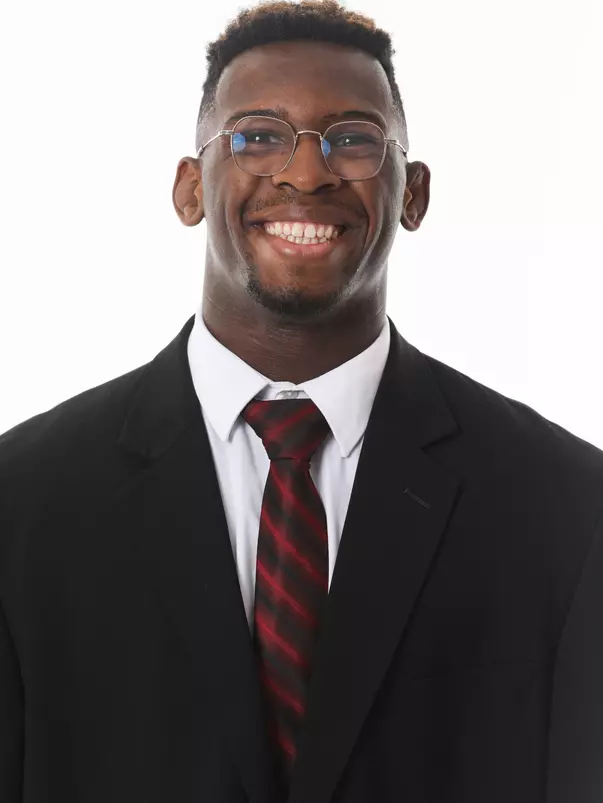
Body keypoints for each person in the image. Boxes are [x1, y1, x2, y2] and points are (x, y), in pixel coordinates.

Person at [1, 0, 601, 801]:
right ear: (189, 187)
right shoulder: (22, 502)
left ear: (413, 193)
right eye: (256, 136)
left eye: (352, 139)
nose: (306, 171)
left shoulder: (567, 506)